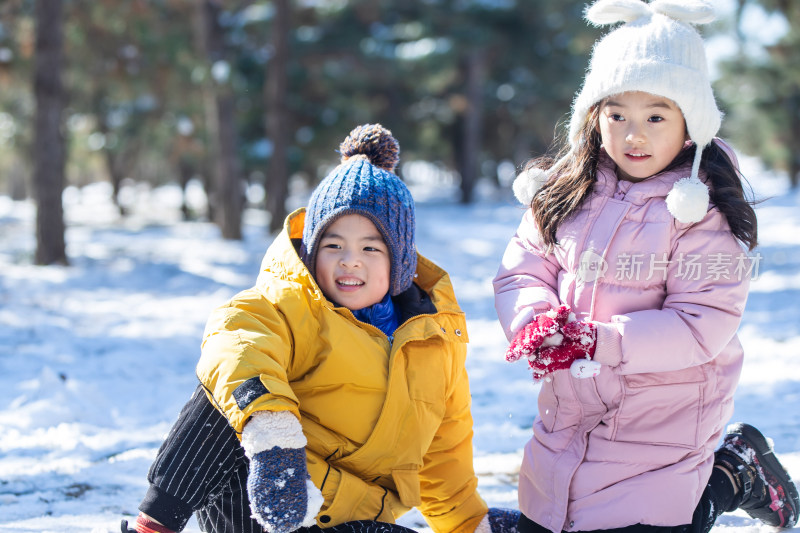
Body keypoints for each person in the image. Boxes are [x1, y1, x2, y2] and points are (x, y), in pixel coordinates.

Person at [492, 1, 799, 532]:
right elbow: (524, 269)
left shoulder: (699, 212)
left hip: (663, 427)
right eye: (618, 116)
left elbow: (701, 322)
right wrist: (535, 318)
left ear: (688, 124)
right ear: (594, 117)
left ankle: (732, 471)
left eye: (655, 116)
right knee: (551, 518)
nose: (634, 134)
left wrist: (599, 340)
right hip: (570, 421)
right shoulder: (567, 193)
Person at [122, 124, 520, 533]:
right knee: (231, 394)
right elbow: (237, 336)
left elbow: (443, 455)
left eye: (370, 247)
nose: (350, 260)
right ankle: (154, 527)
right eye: (333, 245)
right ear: (313, 254)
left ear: (399, 262)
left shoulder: (434, 344)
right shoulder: (292, 307)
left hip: (345, 517)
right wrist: (273, 435)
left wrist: (471, 524)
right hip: (259, 501)